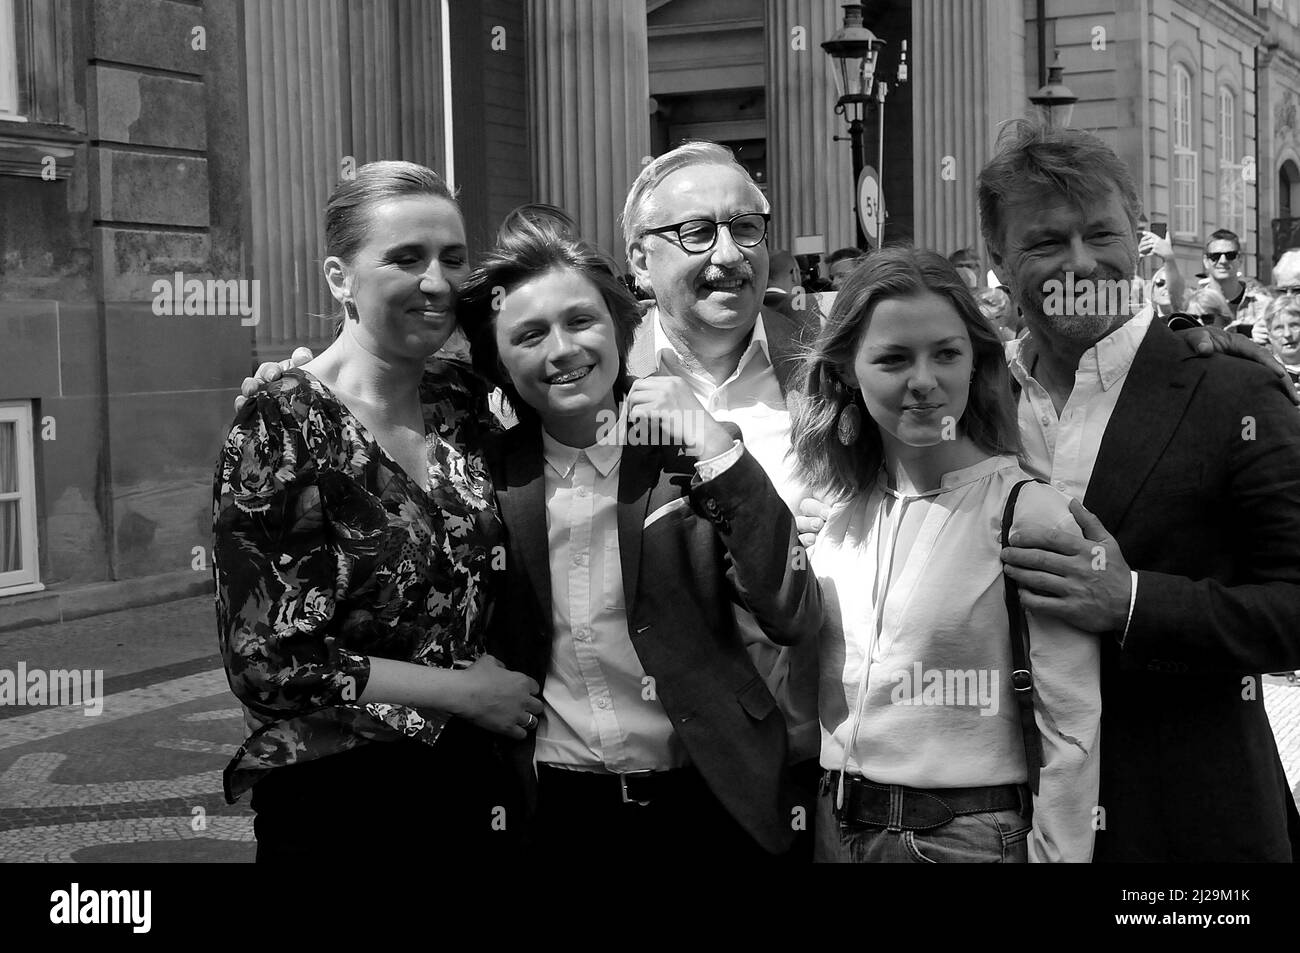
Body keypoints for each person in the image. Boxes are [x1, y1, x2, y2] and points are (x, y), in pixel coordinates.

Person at [456, 210, 822, 858]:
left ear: (619, 326)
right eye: (529, 334)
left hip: (708, 793)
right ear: (499, 360)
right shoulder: (483, 476)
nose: (562, 350)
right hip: (557, 806)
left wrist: (717, 447)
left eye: (580, 320)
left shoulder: (688, 458)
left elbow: (791, 607)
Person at [981, 121, 1300, 861]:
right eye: (1045, 242)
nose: (1081, 263)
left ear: (1140, 238)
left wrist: (1130, 603)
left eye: (1102, 234)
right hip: (998, 822)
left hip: (1187, 825)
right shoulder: (972, 399)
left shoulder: (1233, 389)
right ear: (998, 257)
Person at [213, 161, 540, 863]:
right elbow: (267, 663)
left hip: (475, 781)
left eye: (453, 259)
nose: (436, 282)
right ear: (340, 278)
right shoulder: (284, 422)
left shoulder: (464, 399)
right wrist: (463, 693)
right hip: (339, 798)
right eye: (405, 258)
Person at [792, 247, 1100, 863]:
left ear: (976, 361)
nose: (924, 381)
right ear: (849, 370)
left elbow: (1071, 726)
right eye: (894, 358)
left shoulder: (1028, 511)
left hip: (968, 837)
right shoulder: (833, 516)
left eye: (946, 354)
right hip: (835, 825)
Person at [620, 141, 824, 856]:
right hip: (660, 773)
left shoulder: (833, 358)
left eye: (747, 228)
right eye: (697, 232)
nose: (731, 255)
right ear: (640, 261)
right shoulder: (591, 373)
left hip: (819, 762)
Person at [1199, 228, 1271, 343]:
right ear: (1206, 261)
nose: (1223, 261)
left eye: (1230, 255)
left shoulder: (1264, 305)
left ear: (1240, 259)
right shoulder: (1195, 306)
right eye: (1215, 256)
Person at [1263, 293, 1300, 387]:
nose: (1287, 334)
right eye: (1279, 328)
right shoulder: (1263, 373)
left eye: (1294, 325)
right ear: (1269, 335)